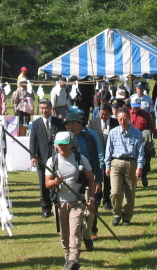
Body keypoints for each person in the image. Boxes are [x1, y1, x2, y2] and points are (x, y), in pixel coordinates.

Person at [45, 131, 95, 270]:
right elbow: (47, 184)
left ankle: (73, 259)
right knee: (64, 233)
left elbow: (90, 179)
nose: (61, 147)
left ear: (71, 144)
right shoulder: (52, 161)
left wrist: (91, 199)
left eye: (64, 144)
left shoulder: (80, 159)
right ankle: (67, 257)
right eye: (59, 145)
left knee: (75, 230)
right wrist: (55, 182)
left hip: (77, 201)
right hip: (59, 203)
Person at [63, 112, 103, 248]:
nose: (71, 126)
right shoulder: (62, 139)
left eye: (74, 123)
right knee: (73, 213)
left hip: (87, 178)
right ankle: (76, 239)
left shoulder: (88, 138)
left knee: (90, 211)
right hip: (68, 181)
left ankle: (87, 235)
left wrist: (98, 179)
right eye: (68, 124)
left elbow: (96, 159)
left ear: (80, 124)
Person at [104, 107, 144, 226]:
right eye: (120, 119)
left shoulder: (137, 133)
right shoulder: (113, 132)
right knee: (115, 192)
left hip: (131, 163)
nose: (122, 121)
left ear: (129, 118)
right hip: (116, 163)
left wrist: (139, 167)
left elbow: (140, 152)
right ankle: (117, 213)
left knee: (130, 193)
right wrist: (107, 166)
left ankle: (127, 216)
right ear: (117, 119)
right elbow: (108, 150)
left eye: (125, 119)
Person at [29, 99, 66, 217]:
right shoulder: (36, 124)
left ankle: (57, 204)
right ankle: (46, 207)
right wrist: (33, 156)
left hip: (56, 159)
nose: (44, 110)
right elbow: (33, 141)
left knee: (56, 182)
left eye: (46, 108)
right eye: (42, 108)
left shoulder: (59, 122)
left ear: (51, 109)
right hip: (41, 159)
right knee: (43, 184)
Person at [88, 103, 119, 211]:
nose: (103, 116)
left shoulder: (115, 123)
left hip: (112, 155)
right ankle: (97, 198)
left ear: (110, 113)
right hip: (97, 155)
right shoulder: (92, 123)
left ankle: (107, 201)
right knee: (97, 177)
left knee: (109, 179)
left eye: (106, 114)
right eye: (101, 114)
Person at [128, 96, 155, 187]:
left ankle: (144, 175)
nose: (135, 108)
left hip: (143, 141)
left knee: (146, 160)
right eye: (133, 106)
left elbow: (151, 127)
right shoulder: (127, 114)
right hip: (131, 141)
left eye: (137, 106)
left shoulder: (146, 114)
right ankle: (133, 180)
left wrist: (147, 133)